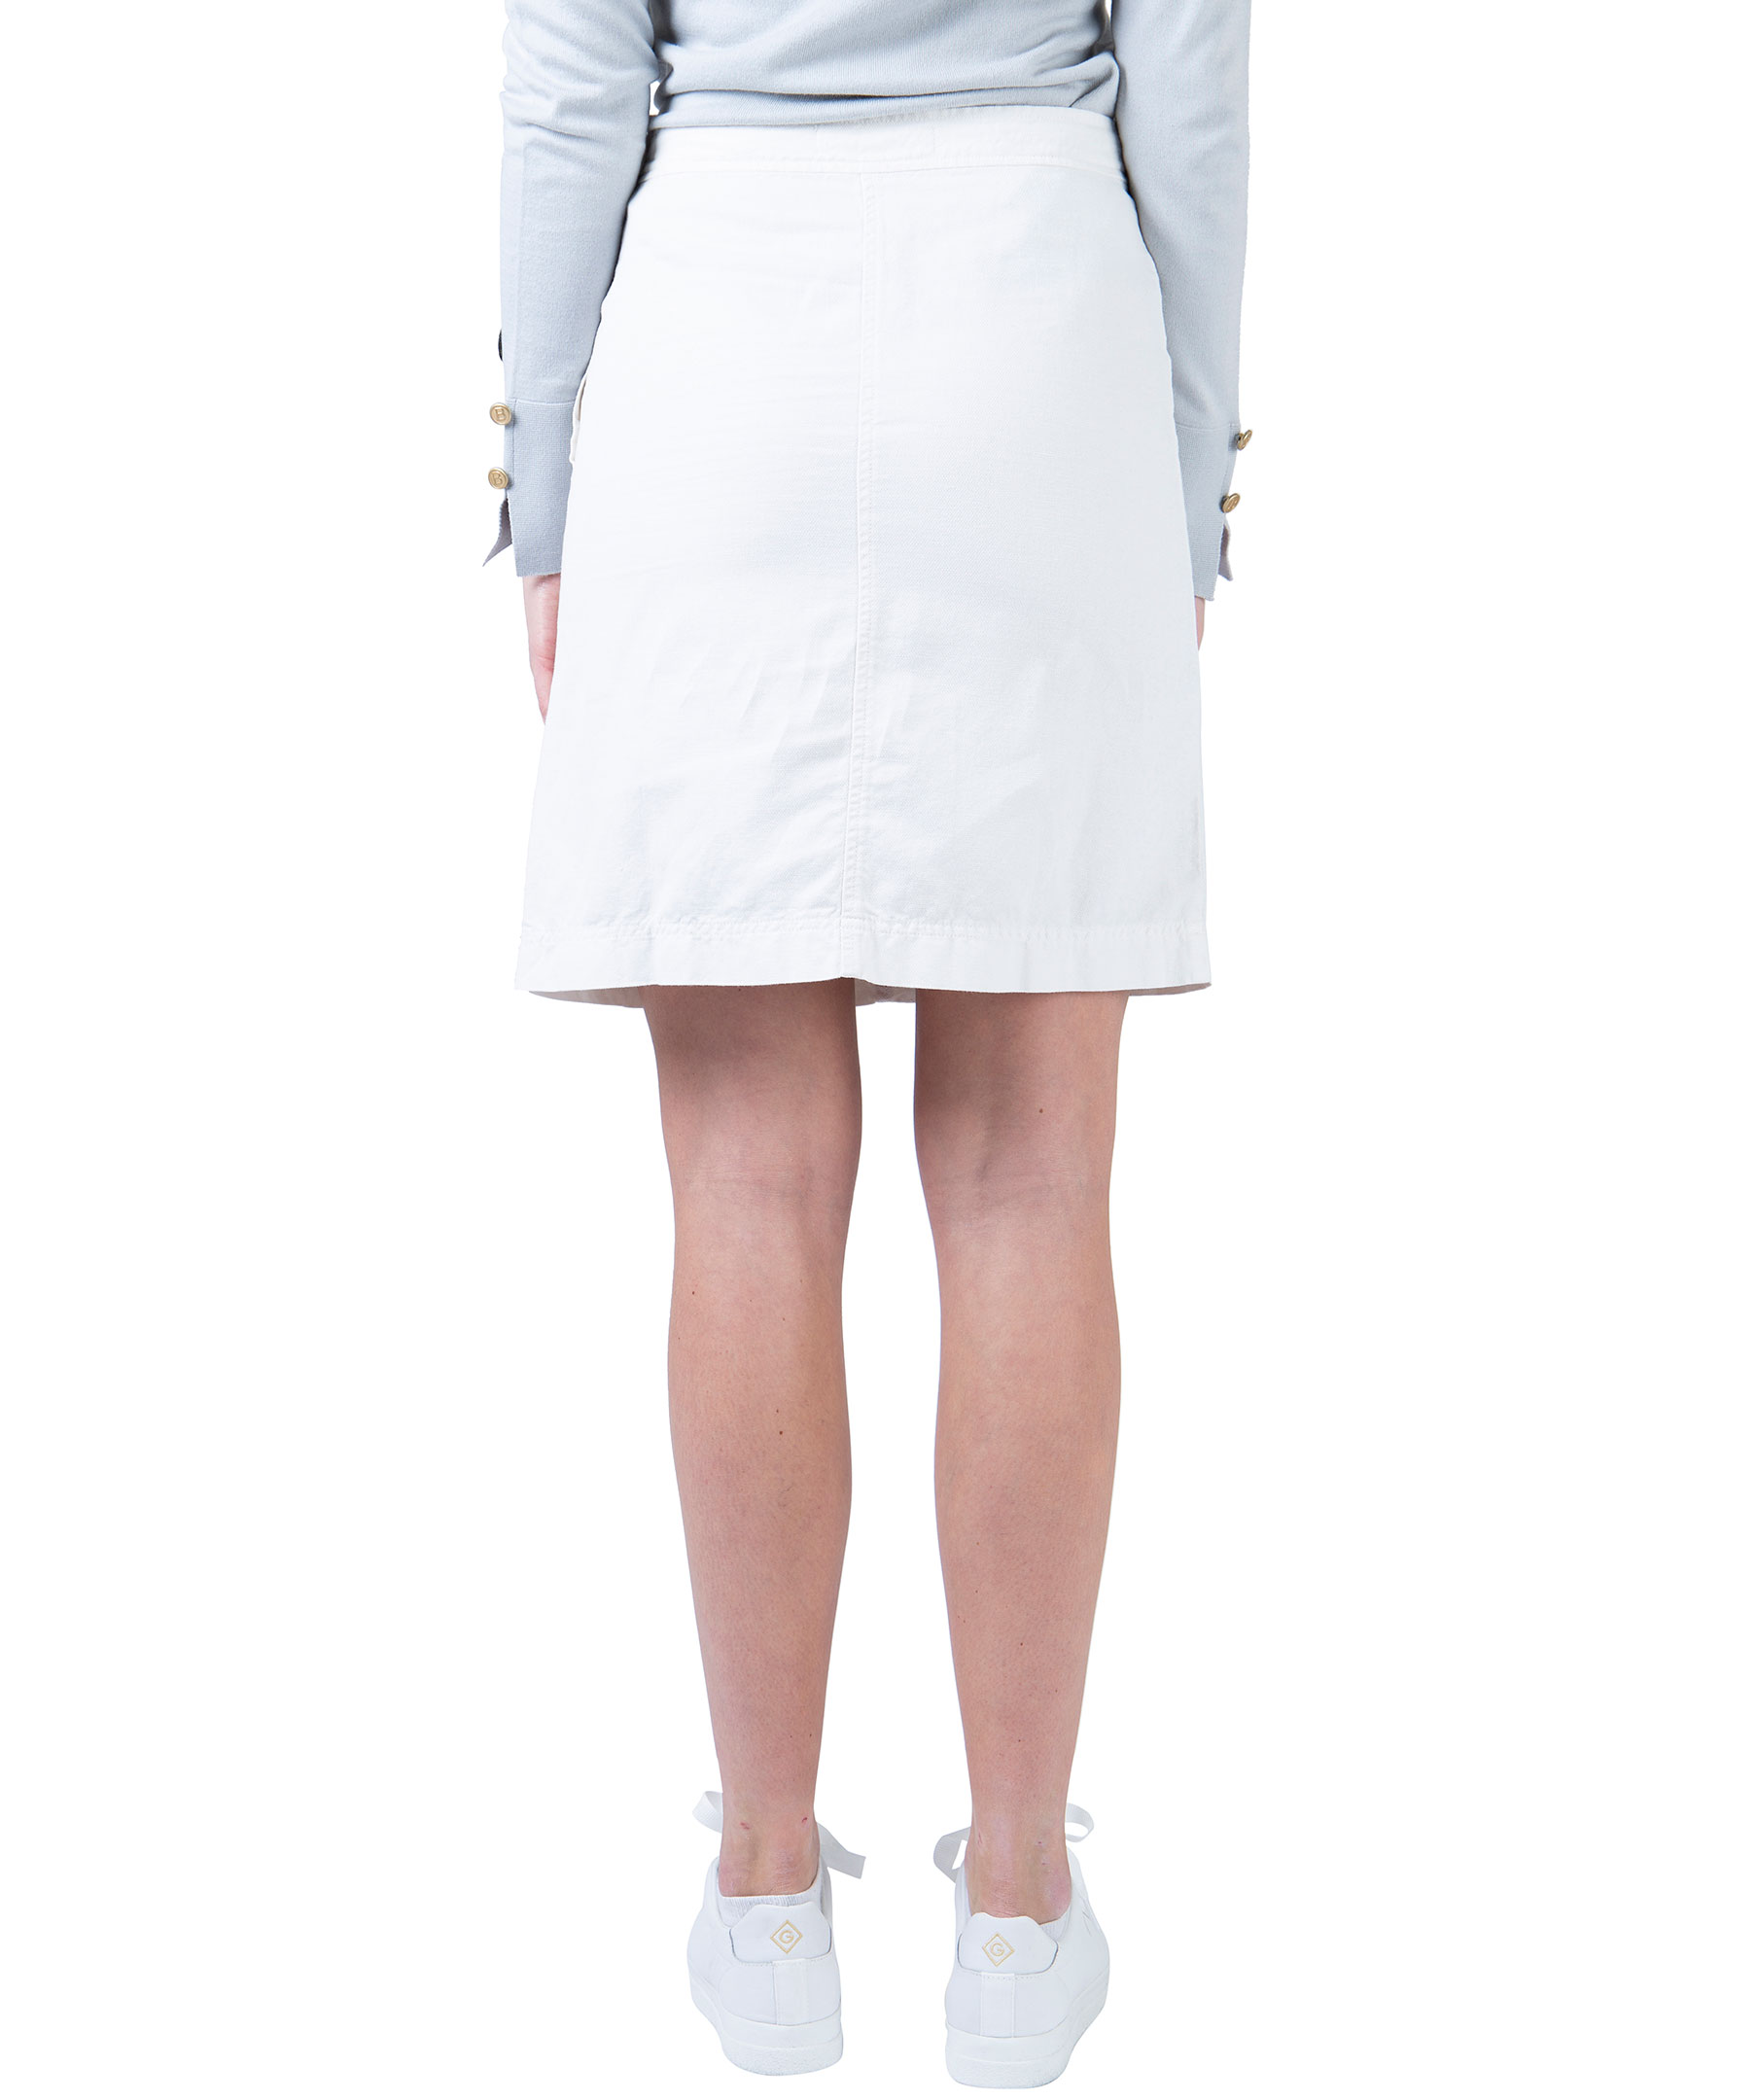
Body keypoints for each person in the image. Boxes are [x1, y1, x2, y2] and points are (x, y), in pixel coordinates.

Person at [487, 0, 1249, 2082]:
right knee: (1029, 1179)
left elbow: (573, 82)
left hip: (718, 326)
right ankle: (1014, 1907)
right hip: (1037, 334)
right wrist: (1185, 486)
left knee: (745, 1177)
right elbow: (1187, 78)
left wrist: (546, 489)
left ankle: (763, 1893)